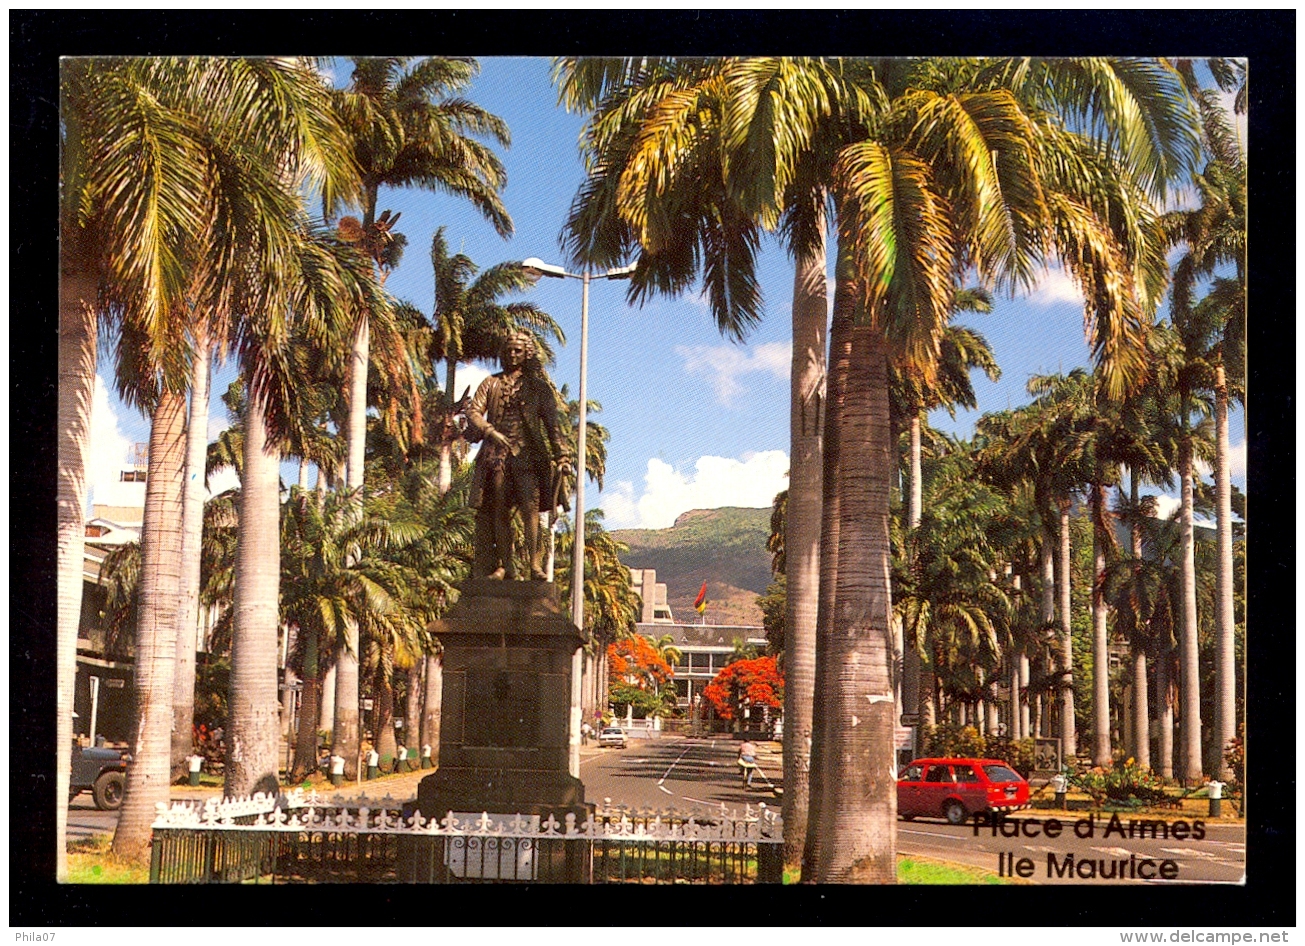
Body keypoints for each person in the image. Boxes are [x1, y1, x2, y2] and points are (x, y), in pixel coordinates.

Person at [466, 331, 572, 580]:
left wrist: (562, 456)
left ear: (527, 354)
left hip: (528, 457)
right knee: (499, 510)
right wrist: (490, 431)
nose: (512, 355)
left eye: (518, 351)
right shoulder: (490, 383)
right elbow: (473, 412)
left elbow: (552, 425)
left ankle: (534, 565)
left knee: (530, 510)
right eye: (509, 350)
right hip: (497, 456)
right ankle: (507, 565)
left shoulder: (538, 388)